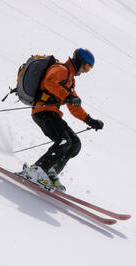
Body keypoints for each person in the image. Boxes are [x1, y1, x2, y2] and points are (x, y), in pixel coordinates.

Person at [24, 48, 104, 191]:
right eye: (86, 67)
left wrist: (89, 120)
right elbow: (49, 82)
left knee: (74, 144)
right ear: (79, 62)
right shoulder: (61, 70)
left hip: (53, 114)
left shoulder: (70, 80)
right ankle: (36, 170)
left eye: (89, 69)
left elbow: (74, 106)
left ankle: (50, 172)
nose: (85, 71)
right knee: (64, 141)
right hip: (43, 112)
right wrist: (67, 96)